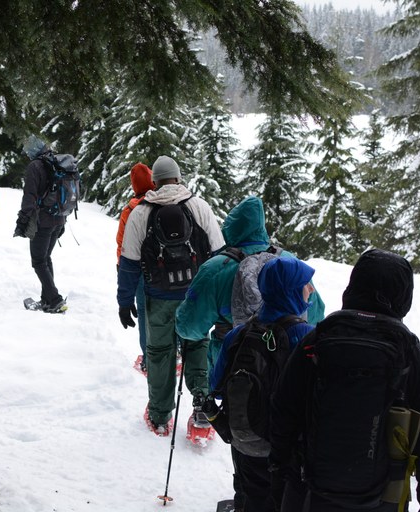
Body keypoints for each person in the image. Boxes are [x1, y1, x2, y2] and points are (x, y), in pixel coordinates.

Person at [270, 249, 420, 512]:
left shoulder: (315, 342)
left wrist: (278, 483)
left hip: (308, 493)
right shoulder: (412, 355)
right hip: (382, 498)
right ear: (403, 296)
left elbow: (282, 414)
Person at [175, 195, 324, 510]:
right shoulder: (289, 264)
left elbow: (188, 328)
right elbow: (318, 313)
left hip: (241, 378)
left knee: (248, 461)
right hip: (295, 391)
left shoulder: (217, 268)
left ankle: (246, 501)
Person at [117, 155, 224, 435]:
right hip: (195, 295)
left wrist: (124, 300)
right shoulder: (199, 207)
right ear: (178, 177)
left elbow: (128, 262)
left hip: (158, 295)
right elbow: (219, 254)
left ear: (155, 181)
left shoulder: (142, 212)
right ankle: (202, 408)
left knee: (160, 353)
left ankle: (160, 416)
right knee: (198, 345)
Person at [208, 257, 317, 512]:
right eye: (305, 283)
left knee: (250, 495)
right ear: (289, 289)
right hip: (285, 447)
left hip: (244, 438)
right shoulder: (305, 337)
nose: (310, 289)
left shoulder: (240, 334)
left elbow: (217, 385)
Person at [14, 135, 67, 314]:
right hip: (59, 219)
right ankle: (47, 300)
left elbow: (29, 197)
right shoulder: (57, 162)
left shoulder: (35, 166)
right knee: (45, 258)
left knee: (38, 261)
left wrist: (22, 220)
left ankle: (54, 300)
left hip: (43, 221)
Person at [116, 162, 155, 374]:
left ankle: (149, 360)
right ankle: (174, 352)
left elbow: (121, 246)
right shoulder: (164, 203)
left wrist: (121, 275)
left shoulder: (130, 210)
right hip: (163, 270)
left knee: (144, 315)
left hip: (138, 271)